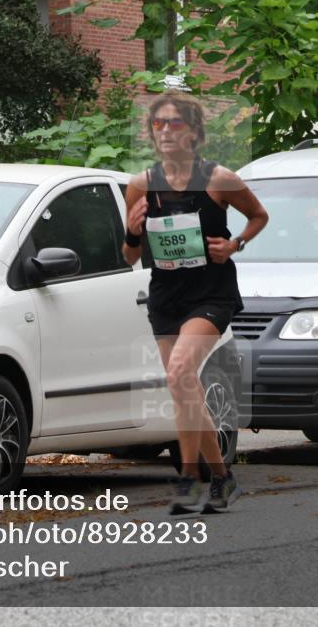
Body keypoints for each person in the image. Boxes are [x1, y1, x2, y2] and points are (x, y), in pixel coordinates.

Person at [121, 91, 269, 513]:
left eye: (175, 123)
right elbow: (130, 256)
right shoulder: (140, 185)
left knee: (181, 373)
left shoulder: (219, 178)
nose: (165, 131)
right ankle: (222, 478)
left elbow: (260, 215)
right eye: (158, 124)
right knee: (184, 386)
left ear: (195, 132)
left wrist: (235, 243)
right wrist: (133, 232)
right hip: (166, 294)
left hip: (211, 292)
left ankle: (188, 477)